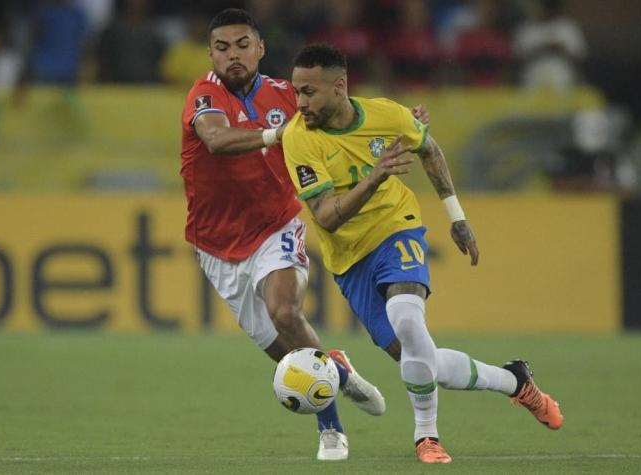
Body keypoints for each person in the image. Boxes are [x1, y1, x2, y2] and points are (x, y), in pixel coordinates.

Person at [282, 43, 564, 464]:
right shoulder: (298, 139)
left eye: (310, 92)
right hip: (349, 259)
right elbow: (326, 217)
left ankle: (426, 437)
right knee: (419, 358)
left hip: (398, 226)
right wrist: (375, 178)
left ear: (339, 87)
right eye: (297, 91)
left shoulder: (388, 116)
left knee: (407, 319)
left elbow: (429, 149)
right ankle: (515, 381)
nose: (300, 102)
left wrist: (456, 215)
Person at [179, 8, 407, 461]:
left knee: (285, 310)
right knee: (286, 356)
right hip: (216, 245)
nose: (234, 55)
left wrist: (403, 123)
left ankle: (331, 431)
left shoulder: (289, 95)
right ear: (211, 55)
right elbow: (217, 141)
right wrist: (274, 134)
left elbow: (346, 119)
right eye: (222, 48)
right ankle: (339, 372)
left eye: (243, 44)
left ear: (261, 48)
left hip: (276, 225)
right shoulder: (203, 96)